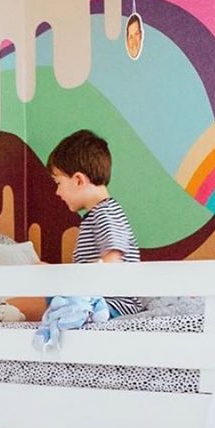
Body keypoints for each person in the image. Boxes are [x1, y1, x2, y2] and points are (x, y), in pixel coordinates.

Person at [46, 129, 143, 317]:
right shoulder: (98, 214)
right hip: (100, 299)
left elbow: (113, 258)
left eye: (58, 183)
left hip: (113, 304)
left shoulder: (106, 213)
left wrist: (73, 279)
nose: (57, 192)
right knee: (53, 298)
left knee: (53, 301)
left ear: (78, 180)